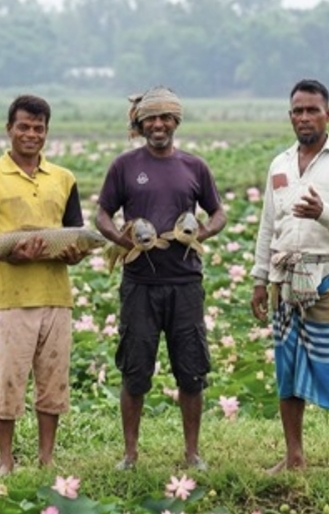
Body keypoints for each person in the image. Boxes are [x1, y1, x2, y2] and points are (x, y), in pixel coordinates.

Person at [96, 85, 227, 471]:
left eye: (165, 117)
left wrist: (201, 232)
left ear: (176, 121)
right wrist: (118, 237)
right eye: (151, 118)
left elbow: (218, 212)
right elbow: (103, 212)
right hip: (140, 283)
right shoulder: (124, 166)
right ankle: (130, 455)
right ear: (139, 122)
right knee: (135, 370)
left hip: (185, 282)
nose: (158, 124)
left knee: (191, 370)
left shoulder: (194, 167)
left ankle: (191, 453)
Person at [249, 79, 329, 482]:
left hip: (328, 277)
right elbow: (269, 226)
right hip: (285, 279)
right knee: (287, 371)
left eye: (312, 110)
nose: (304, 117)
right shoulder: (279, 164)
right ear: (290, 117)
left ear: (328, 114)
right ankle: (294, 455)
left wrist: (324, 213)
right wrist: (259, 279)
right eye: (297, 111)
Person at [0, 94, 90, 476]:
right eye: (23, 126)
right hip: (11, 297)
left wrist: (75, 254)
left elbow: (75, 236)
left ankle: (46, 458)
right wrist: (12, 253)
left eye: (38, 128)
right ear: (9, 129)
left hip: (56, 295)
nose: (31, 134)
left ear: (46, 132)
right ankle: (5, 461)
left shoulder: (64, 178)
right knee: (8, 380)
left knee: (53, 382)